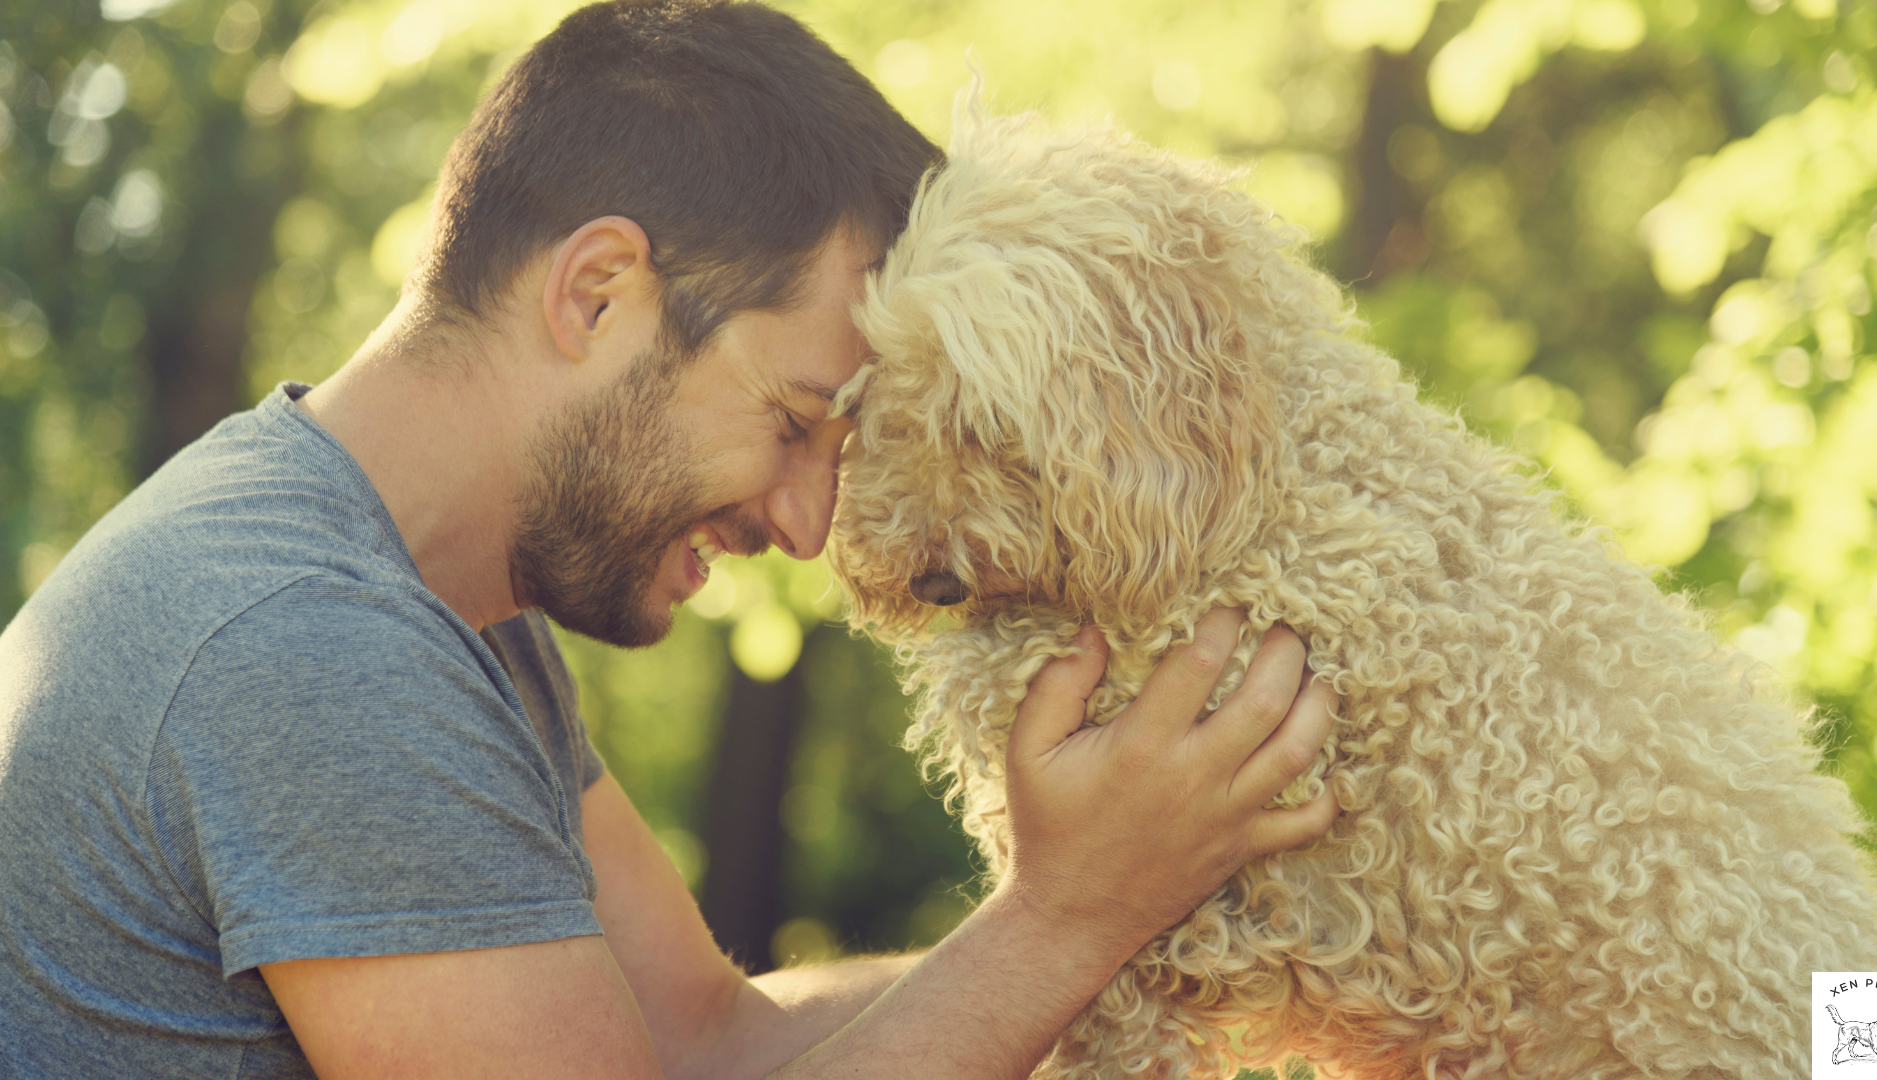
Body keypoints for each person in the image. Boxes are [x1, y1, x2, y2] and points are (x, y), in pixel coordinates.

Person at [0, 1, 1340, 1076]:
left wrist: (1172, 957)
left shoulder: (450, 618)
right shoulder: (304, 649)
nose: (813, 524)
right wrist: (1068, 918)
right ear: (599, 292)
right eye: (798, 418)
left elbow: (708, 1040)